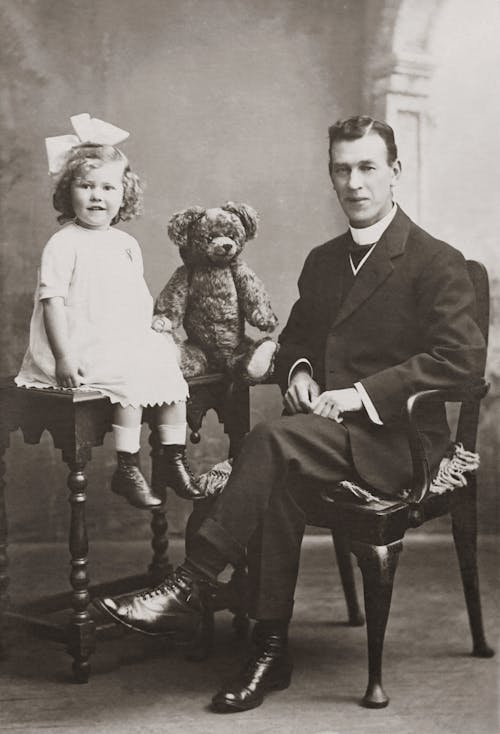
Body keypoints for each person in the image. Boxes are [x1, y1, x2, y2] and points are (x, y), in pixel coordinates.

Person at [95, 116, 485, 712]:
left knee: (273, 443)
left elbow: (460, 361)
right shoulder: (324, 261)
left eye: (367, 167)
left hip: (399, 443)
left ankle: (192, 582)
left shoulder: (435, 259)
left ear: (395, 173)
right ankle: (270, 648)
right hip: (323, 437)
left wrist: (362, 395)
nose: (353, 182)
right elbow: (296, 339)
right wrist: (299, 370)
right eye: (341, 168)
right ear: (331, 175)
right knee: (277, 471)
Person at [16, 114, 205, 508]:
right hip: (75, 345)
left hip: (116, 338)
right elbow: (52, 303)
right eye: (86, 186)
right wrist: (65, 356)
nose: (97, 196)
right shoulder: (63, 243)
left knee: (165, 362)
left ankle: (172, 458)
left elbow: (132, 298)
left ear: (125, 193)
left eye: (108, 187)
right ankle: (127, 465)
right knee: (130, 369)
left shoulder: (125, 244)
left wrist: (151, 327)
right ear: (69, 192)